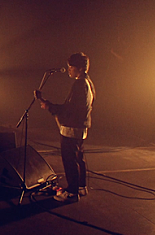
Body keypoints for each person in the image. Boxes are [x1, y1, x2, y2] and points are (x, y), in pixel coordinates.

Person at [35, 52, 95, 202]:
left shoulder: (79, 84)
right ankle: (81, 187)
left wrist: (49, 106)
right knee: (78, 158)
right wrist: (49, 105)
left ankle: (72, 192)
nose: (69, 70)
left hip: (73, 128)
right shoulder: (88, 82)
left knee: (70, 160)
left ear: (80, 68)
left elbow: (70, 109)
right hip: (81, 127)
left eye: (71, 67)